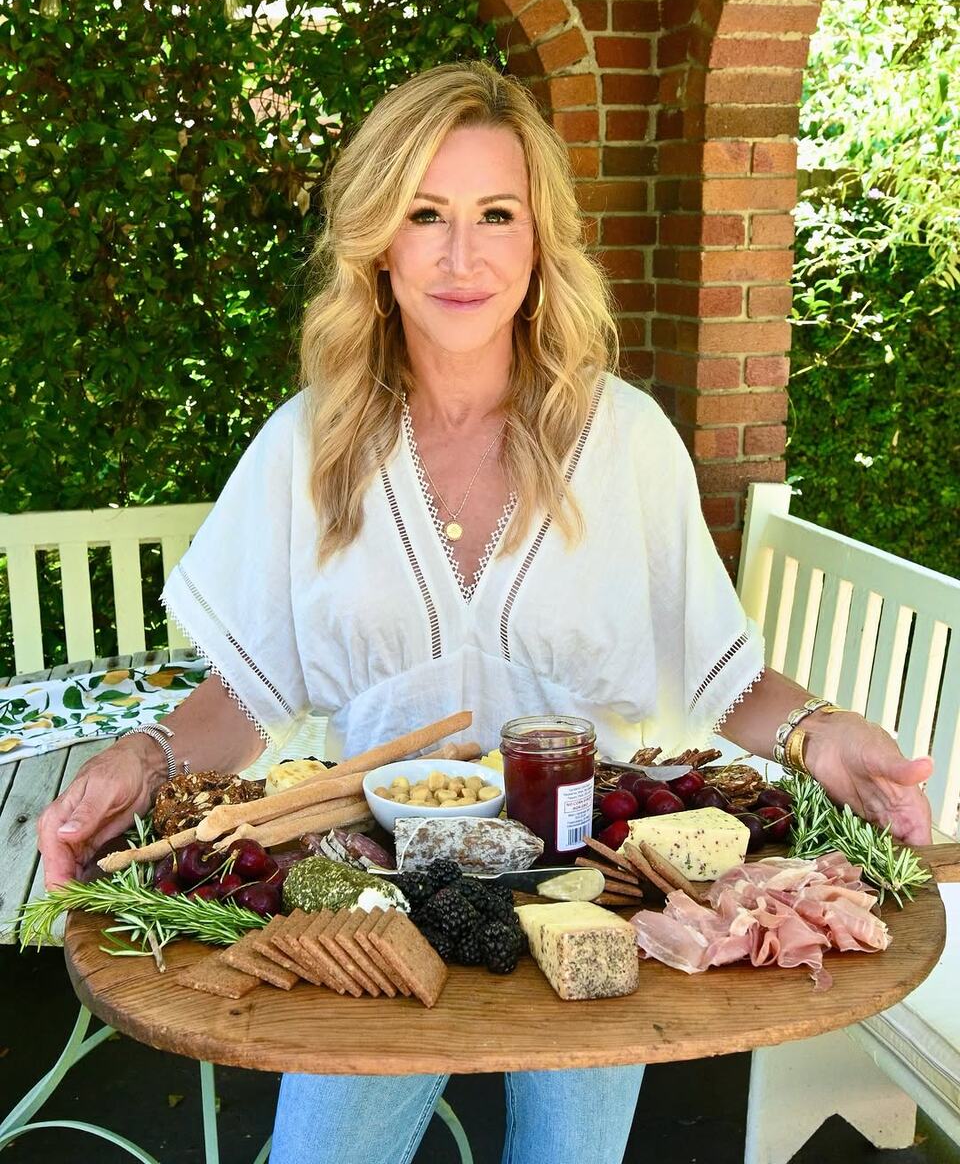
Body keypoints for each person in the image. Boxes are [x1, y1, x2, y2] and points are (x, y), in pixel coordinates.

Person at [37, 60, 933, 1164]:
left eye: (497, 214)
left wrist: (819, 734)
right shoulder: (310, 444)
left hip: (588, 887)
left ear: (541, 237)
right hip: (370, 890)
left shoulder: (625, 440)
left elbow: (720, 673)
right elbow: (247, 696)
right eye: (426, 214)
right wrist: (142, 759)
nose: (462, 256)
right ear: (379, 243)